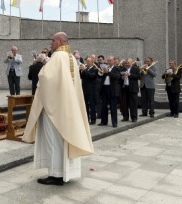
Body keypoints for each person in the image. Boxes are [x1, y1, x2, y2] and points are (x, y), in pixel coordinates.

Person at [22, 32, 94, 186]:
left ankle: (56, 174)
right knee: (62, 141)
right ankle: (64, 172)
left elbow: (46, 78)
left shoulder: (58, 57)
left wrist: (42, 66)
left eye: (53, 40)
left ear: (60, 41)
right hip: (66, 106)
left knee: (54, 140)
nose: (50, 43)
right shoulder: (71, 58)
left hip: (54, 108)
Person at [99, 56, 120, 128]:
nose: (109, 62)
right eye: (108, 60)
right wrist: (102, 72)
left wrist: (108, 73)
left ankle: (114, 123)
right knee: (103, 106)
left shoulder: (117, 68)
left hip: (112, 89)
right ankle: (104, 121)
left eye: (110, 60)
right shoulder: (106, 68)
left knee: (113, 107)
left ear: (114, 61)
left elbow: (117, 77)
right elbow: (101, 76)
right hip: (104, 88)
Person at [80, 57, 98, 125]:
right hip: (85, 90)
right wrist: (80, 70)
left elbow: (92, 76)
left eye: (89, 61)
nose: (87, 63)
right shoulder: (86, 69)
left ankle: (93, 120)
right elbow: (82, 76)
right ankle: (86, 119)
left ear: (92, 62)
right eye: (87, 61)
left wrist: (84, 70)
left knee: (92, 105)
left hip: (91, 90)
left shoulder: (95, 69)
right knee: (85, 106)